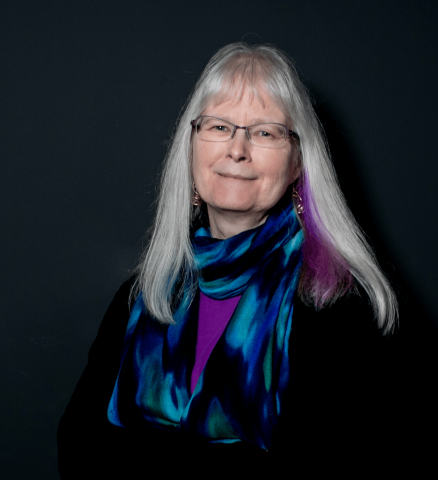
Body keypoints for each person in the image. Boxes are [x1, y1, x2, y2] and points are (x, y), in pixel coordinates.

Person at [58, 43, 401, 479]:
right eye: (219, 126)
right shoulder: (143, 296)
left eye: (264, 132)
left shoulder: (340, 309)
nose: (237, 150)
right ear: (191, 147)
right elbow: (78, 446)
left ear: (298, 162)